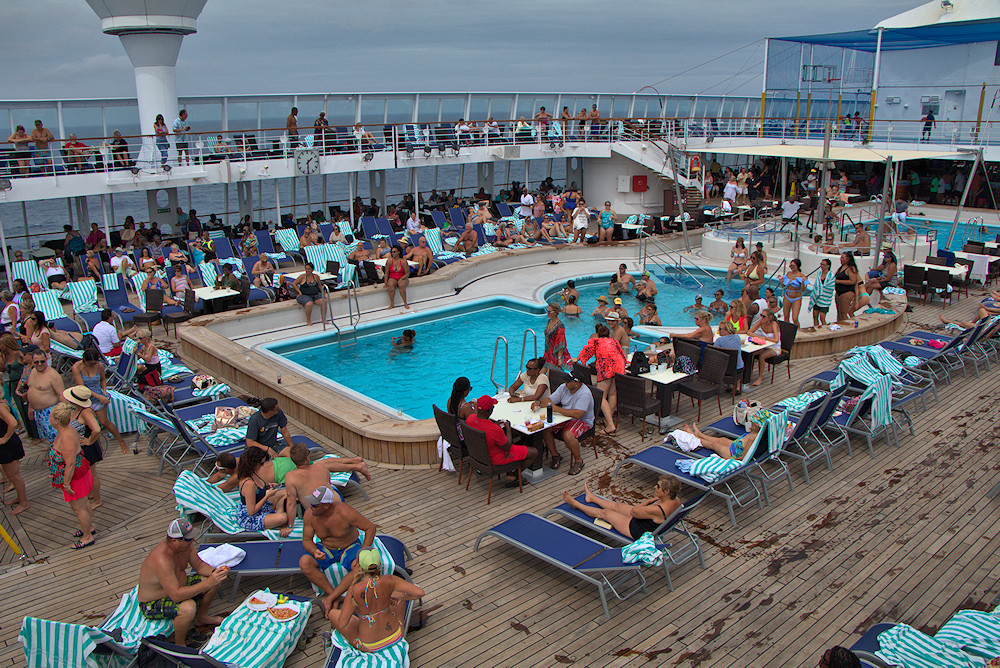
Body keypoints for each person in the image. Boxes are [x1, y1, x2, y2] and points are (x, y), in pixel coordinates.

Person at [138, 518, 228, 646]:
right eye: (188, 539)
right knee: (188, 607)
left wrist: (215, 572)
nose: (192, 541)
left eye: (192, 538)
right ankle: (180, 644)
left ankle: (201, 618)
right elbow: (176, 595)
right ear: (174, 540)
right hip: (152, 602)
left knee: (214, 580)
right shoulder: (162, 559)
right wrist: (208, 583)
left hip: (178, 587)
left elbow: (199, 565)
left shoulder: (186, 546)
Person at [298, 485, 377, 611]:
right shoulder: (310, 515)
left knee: (360, 567)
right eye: (310, 503)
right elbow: (307, 540)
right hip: (326, 548)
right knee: (304, 562)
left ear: (326, 506)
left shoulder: (345, 512)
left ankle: (331, 598)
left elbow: (370, 528)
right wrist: (315, 551)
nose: (310, 507)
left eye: (314, 505)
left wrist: (362, 552)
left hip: (349, 547)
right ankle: (333, 595)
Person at [332, 547, 425, 652]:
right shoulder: (390, 579)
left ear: (359, 565)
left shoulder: (354, 590)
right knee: (398, 593)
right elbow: (420, 593)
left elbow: (343, 623)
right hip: (395, 636)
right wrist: (400, 597)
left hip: (369, 645)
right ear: (379, 564)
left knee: (333, 614)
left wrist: (358, 608)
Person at [561, 477, 682, 540]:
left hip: (636, 529)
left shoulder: (656, 509)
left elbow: (634, 511)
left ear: (667, 492)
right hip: (647, 521)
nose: (655, 487)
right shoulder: (676, 500)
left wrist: (648, 501)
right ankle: (591, 498)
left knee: (606, 513)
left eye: (658, 486)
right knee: (617, 506)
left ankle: (576, 504)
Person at [48, 402, 96, 548]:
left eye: (50, 417)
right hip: (76, 472)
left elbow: (70, 463)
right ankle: (89, 528)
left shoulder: (66, 436)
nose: (49, 419)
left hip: (74, 476)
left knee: (79, 507)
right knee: (83, 503)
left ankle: (87, 537)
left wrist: (66, 483)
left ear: (56, 421)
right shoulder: (66, 430)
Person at [532, 369, 595, 475]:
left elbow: (578, 414)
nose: (565, 383)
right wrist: (539, 402)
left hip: (582, 420)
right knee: (545, 428)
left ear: (576, 383)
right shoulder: (564, 387)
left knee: (568, 435)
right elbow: (551, 400)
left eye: (568, 381)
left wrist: (556, 409)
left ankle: (579, 461)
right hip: (566, 417)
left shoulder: (584, 394)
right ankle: (555, 455)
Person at [466, 395, 538, 486]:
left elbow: (482, 426)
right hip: (496, 459)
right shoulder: (494, 430)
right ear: (489, 410)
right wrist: (508, 428)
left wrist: (494, 424)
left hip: (478, 456)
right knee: (533, 452)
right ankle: (514, 475)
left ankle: (512, 473)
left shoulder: (470, 419)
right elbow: (508, 447)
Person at [72, 349, 129, 454]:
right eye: (91, 363)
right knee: (90, 425)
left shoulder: (99, 366)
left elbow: (103, 380)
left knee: (104, 422)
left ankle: (121, 440)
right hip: (84, 397)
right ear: (84, 360)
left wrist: (103, 392)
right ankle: (98, 448)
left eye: (95, 363)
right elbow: (82, 388)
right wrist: (99, 397)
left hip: (98, 395)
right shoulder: (76, 367)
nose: (93, 365)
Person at [577, 324, 624, 436]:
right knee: (613, 394)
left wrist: (577, 359)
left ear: (598, 334)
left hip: (606, 366)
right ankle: (609, 419)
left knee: (602, 396)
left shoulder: (596, 341)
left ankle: (610, 425)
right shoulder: (614, 341)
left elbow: (586, 352)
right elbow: (621, 354)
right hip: (618, 366)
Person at [62, 386, 105, 509]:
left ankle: (97, 500)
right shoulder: (78, 409)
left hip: (87, 448)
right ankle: (92, 494)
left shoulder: (85, 412)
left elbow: (96, 429)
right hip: (82, 447)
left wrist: (89, 441)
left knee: (92, 474)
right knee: (88, 474)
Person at [680, 408, 771, 459]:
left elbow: (744, 456)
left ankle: (693, 437)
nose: (751, 421)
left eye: (753, 422)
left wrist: (731, 461)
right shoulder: (756, 433)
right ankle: (700, 434)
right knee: (722, 439)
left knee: (714, 444)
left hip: (733, 454)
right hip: (736, 446)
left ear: (759, 426)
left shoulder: (753, 438)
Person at [24, 348, 63, 442]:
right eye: (36, 362)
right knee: (48, 437)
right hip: (38, 412)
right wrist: (30, 407)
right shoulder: (33, 371)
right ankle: (51, 450)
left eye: (42, 361)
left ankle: (58, 454)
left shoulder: (52, 375)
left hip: (50, 411)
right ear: (32, 362)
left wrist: (63, 413)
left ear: (46, 360)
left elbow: (62, 394)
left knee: (57, 437)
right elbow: (31, 389)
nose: (39, 364)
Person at [0, 394, 26, 515]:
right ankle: (19, 498)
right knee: (11, 476)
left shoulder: (1, 406)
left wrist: (5, 438)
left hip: (8, 445)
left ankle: (24, 502)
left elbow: (13, 423)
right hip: (5, 446)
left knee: (15, 476)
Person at [747, 309, 781, 387]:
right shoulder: (761, 322)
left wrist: (765, 338)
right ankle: (750, 374)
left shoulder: (774, 324)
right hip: (764, 346)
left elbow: (776, 340)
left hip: (775, 348)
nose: (761, 317)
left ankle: (760, 378)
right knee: (751, 353)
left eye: (764, 316)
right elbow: (749, 332)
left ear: (769, 318)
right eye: (761, 315)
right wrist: (759, 337)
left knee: (762, 356)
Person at [543, 303, 572, 372]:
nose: (547, 312)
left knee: (550, 376)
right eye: (547, 310)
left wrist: (559, 358)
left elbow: (561, 343)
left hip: (554, 355)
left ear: (555, 313)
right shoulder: (549, 321)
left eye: (549, 311)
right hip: (548, 353)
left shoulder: (559, 327)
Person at [781, 258, 809, 326]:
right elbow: (783, 286)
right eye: (791, 265)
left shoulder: (801, 276)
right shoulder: (788, 274)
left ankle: (798, 332)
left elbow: (803, 289)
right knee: (786, 317)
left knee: (795, 318)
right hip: (787, 296)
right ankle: (787, 331)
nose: (791, 267)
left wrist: (802, 282)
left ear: (797, 266)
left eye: (793, 265)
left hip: (796, 297)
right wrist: (781, 281)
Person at [834, 252, 859, 323]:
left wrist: (839, 281)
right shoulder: (841, 267)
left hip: (847, 292)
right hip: (839, 292)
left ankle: (847, 327)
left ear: (848, 259)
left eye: (842, 258)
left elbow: (853, 281)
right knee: (839, 313)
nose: (840, 259)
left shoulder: (851, 268)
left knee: (843, 313)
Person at [385, 245, 411, 311]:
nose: (392, 253)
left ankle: (405, 303)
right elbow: (387, 273)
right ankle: (392, 303)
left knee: (401, 285)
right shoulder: (389, 261)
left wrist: (402, 278)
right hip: (393, 277)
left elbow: (407, 273)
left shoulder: (403, 261)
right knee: (390, 286)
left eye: (394, 252)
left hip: (402, 276)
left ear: (398, 252)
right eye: (392, 252)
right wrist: (385, 283)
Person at [811, 258, 835, 328]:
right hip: (817, 298)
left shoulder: (831, 276)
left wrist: (821, 289)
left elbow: (830, 287)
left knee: (822, 317)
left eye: (823, 264)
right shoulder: (819, 273)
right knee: (815, 316)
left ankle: (824, 330)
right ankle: (816, 329)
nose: (822, 266)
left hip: (825, 299)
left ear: (828, 266)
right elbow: (816, 285)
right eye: (821, 264)